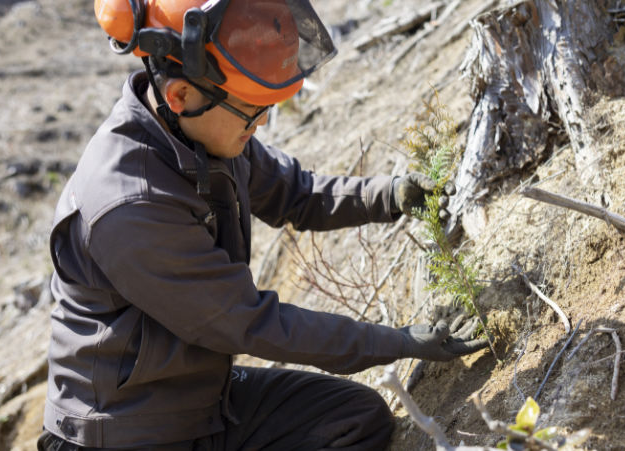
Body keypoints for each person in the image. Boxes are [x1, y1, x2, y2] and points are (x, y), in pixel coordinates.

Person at [38, 0, 488, 449]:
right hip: (126, 432)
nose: (264, 121)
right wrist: (397, 341)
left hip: (200, 401)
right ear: (180, 96)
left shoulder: (204, 132)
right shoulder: (129, 205)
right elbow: (250, 322)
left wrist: (388, 195)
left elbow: (295, 194)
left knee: (354, 420)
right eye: (252, 110)